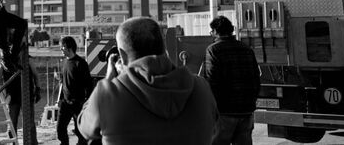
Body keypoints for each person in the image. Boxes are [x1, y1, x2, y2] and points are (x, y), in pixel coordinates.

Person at [77, 17, 218, 145]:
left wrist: (110, 79)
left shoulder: (106, 95)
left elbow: (85, 127)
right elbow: (214, 128)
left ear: (122, 56)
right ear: (164, 48)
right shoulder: (201, 88)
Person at [203, 16, 261, 145]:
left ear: (215, 31)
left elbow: (211, 81)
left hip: (224, 111)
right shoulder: (246, 49)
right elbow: (256, 77)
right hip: (246, 110)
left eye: (211, 32)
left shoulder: (213, 50)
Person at [57, 36, 93, 145]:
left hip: (78, 103)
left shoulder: (80, 63)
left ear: (69, 48)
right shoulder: (65, 62)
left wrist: (85, 102)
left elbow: (89, 84)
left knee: (80, 131)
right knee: (60, 129)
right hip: (65, 103)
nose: (61, 49)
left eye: (62, 47)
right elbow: (63, 82)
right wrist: (59, 99)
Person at [0, 56, 41, 145]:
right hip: (12, 96)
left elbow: (35, 74)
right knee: (12, 123)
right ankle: (13, 143)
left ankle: (32, 143)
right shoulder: (4, 59)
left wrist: (38, 89)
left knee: (29, 123)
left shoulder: (27, 58)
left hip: (26, 95)